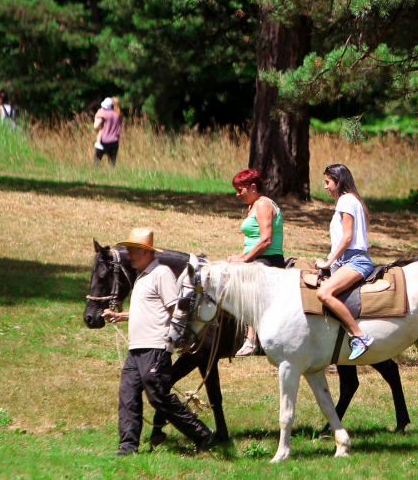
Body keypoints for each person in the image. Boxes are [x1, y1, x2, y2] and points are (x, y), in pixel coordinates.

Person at [101, 228, 215, 455]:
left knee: (158, 395)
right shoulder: (142, 277)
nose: (129, 256)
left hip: (156, 346)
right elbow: (148, 311)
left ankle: (202, 434)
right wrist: (119, 316)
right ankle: (127, 446)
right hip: (136, 348)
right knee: (128, 395)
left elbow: (175, 310)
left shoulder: (161, 273)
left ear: (144, 251)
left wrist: (178, 339)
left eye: (132, 251)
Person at [315, 164, 375, 360]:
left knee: (324, 293)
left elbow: (348, 238)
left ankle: (360, 337)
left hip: (354, 260)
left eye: (328, 182)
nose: (325, 186)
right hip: (347, 259)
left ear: (338, 181)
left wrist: (328, 261)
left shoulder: (345, 200)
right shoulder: (351, 200)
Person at [228, 169, 284, 357]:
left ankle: (251, 340)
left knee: (249, 290)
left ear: (253, 187)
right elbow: (252, 239)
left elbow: (266, 240)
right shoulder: (253, 205)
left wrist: (244, 260)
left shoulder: (263, 205)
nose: (237, 194)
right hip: (256, 256)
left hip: (269, 259)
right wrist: (238, 257)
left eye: (240, 190)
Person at [94, 97, 122, 167]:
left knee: (97, 160)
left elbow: (96, 126)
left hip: (104, 140)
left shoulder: (104, 113)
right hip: (115, 141)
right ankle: (113, 176)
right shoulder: (119, 115)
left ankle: (97, 175)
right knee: (112, 162)